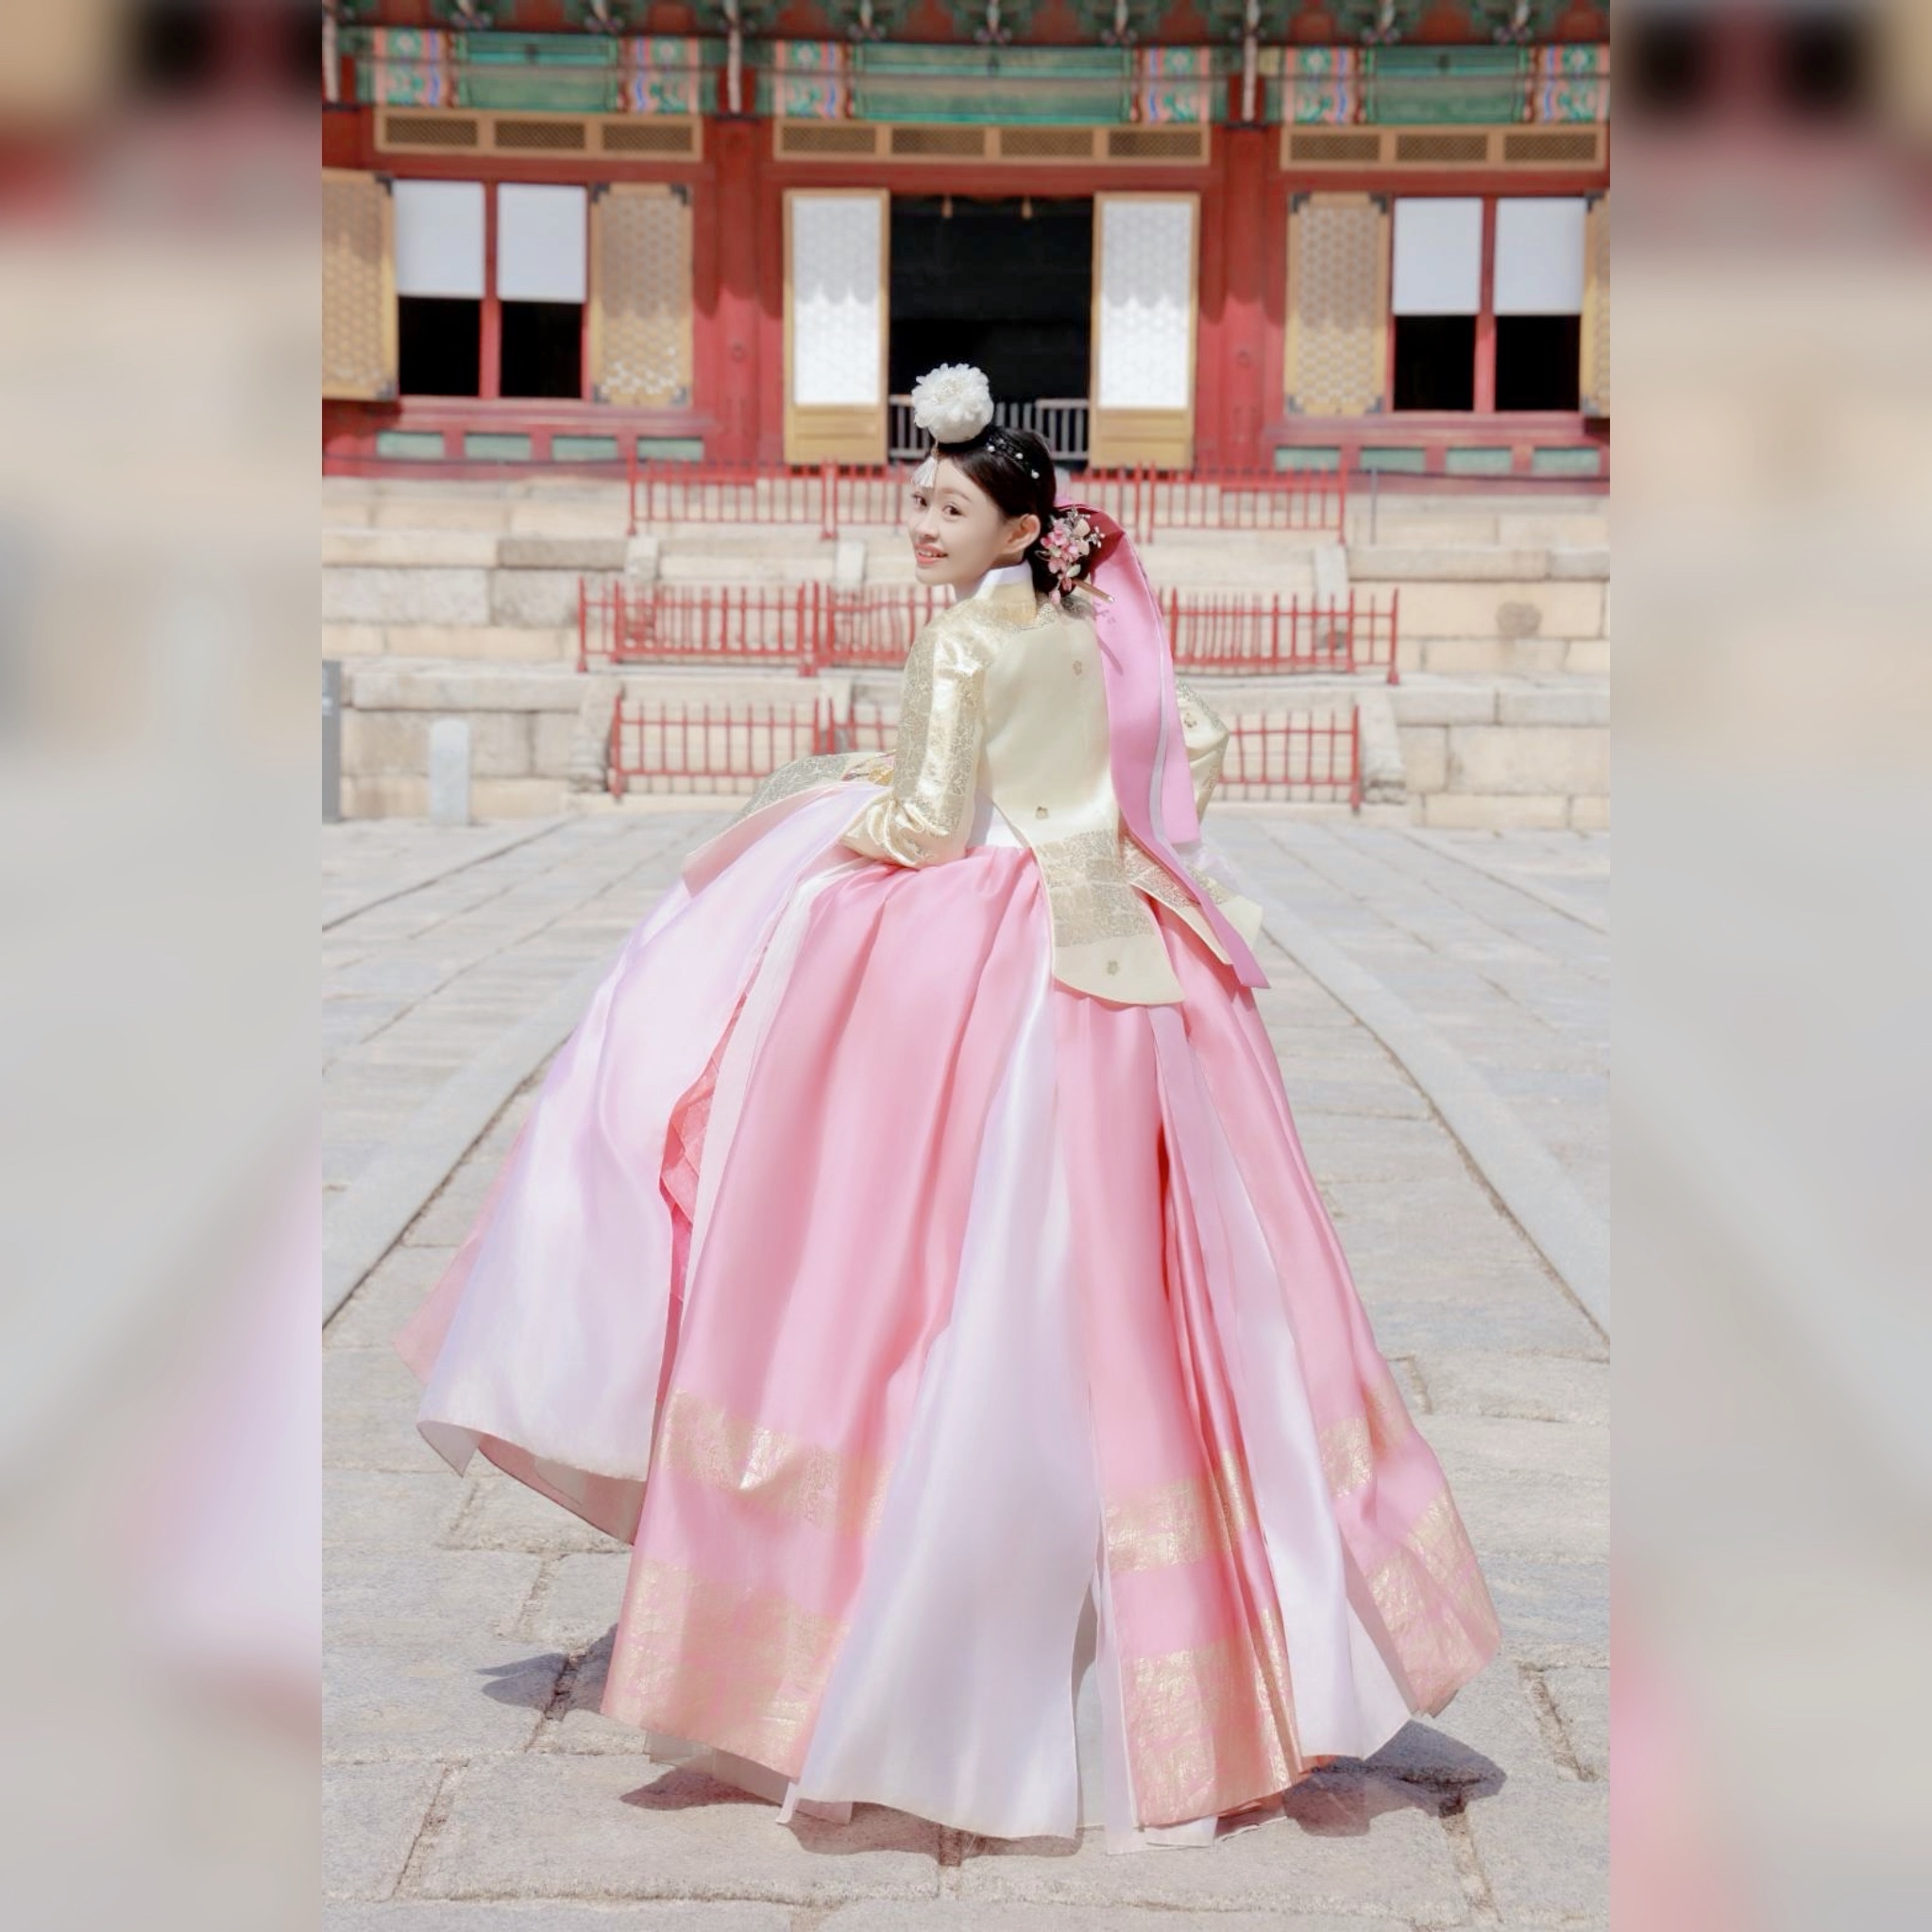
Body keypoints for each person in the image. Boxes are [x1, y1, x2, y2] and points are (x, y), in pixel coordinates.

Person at [396, 364, 1500, 1852]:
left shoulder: (963, 640)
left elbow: (922, 826)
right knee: (1155, 1300)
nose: (920, 524)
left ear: (1014, 526)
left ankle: (903, 1655)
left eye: (947, 507)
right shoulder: (1096, 626)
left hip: (990, 967)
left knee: (917, 1274)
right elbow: (1192, 746)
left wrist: (820, 803)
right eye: (914, 500)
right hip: (1126, 958)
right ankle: (1186, 1661)